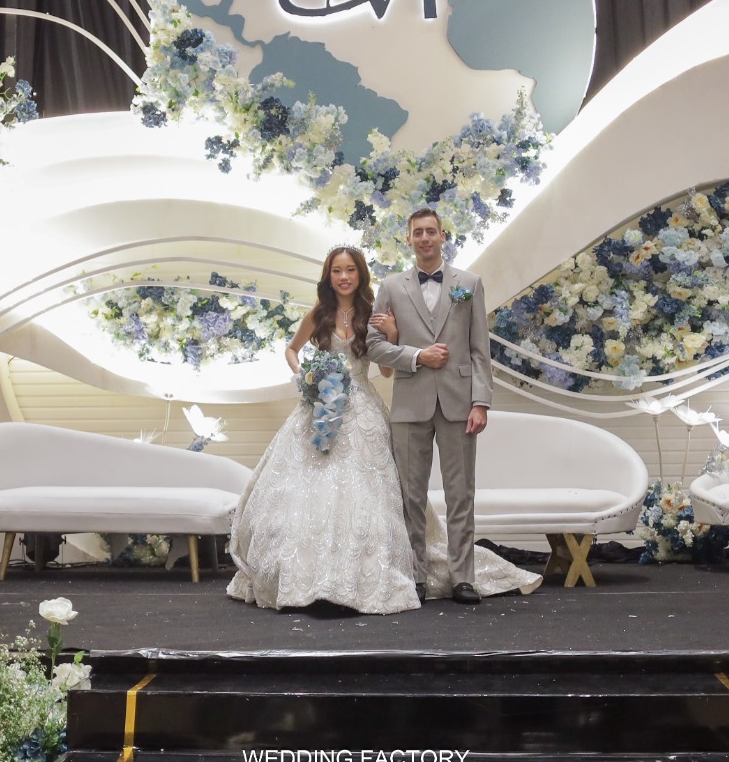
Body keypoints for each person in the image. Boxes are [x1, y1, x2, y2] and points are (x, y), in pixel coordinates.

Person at [227, 245, 538, 614]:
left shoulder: (372, 312)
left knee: (375, 492)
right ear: (328, 276)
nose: (343, 277)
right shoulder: (319, 313)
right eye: (336, 271)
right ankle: (305, 574)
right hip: (320, 406)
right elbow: (292, 350)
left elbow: (387, 370)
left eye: (350, 270)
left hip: (362, 408)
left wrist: (391, 335)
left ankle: (386, 571)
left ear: (360, 274)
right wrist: (306, 376)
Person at [365, 207, 493, 605]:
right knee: (411, 497)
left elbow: (479, 349)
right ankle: (415, 576)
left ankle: (463, 578)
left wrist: (481, 402)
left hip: (459, 403)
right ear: (408, 239)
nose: (424, 238)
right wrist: (418, 356)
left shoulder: (469, 283)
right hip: (410, 403)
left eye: (431, 231)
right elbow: (374, 346)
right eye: (417, 232)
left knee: (461, 495)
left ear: (442, 237)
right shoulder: (391, 286)